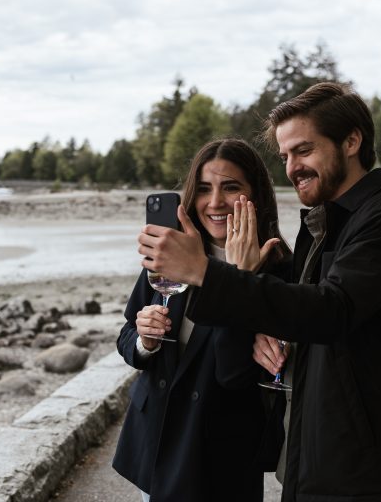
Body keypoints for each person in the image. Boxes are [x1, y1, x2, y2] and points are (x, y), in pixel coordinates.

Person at [138, 83, 381, 502]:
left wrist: (207, 273)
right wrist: (277, 337)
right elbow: (319, 320)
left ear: (352, 141)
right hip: (321, 460)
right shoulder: (325, 225)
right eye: (285, 156)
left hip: (375, 473)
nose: (292, 167)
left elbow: (334, 309)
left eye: (303, 151)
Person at [112, 138, 292, 502]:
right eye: (205, 189)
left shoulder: (279, 269)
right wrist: (144, 343)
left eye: (231, 188)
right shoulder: (168, 253)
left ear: (255, 194)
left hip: (221, 452)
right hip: (158, 440)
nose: (215, 203)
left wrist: (240, 276)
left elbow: (234, 373)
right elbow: (127, 335)